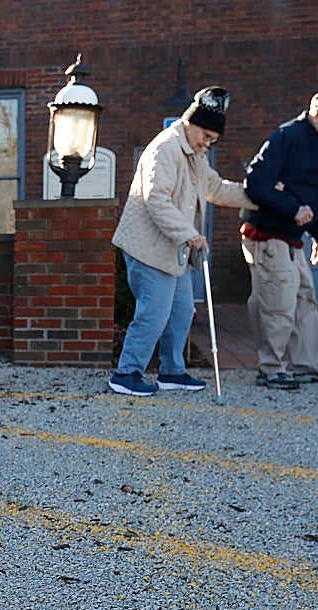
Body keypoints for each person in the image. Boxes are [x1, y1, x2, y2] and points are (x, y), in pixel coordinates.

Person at [109, 86, 256, 396]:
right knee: (153, 313)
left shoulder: (195, 155)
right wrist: (189, 234)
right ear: (190, 123)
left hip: (174, 249)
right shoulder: (164, 149)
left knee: (181, 311)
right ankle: (126, 374)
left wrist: (262, 197)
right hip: (149, 248)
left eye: (213, 140)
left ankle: (172, 372)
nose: (207, 143)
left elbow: (215, 189)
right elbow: (156, 199)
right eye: (205, 135)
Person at [239, 88, 318, 391]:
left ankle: (309, 364)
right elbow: (255, 181)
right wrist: (292, 209)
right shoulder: (287, 136)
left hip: (291, 237)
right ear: (317, 112)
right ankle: (271, 369)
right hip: (266, 234)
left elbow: (311, 193)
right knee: (276, 302)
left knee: (304, 298)